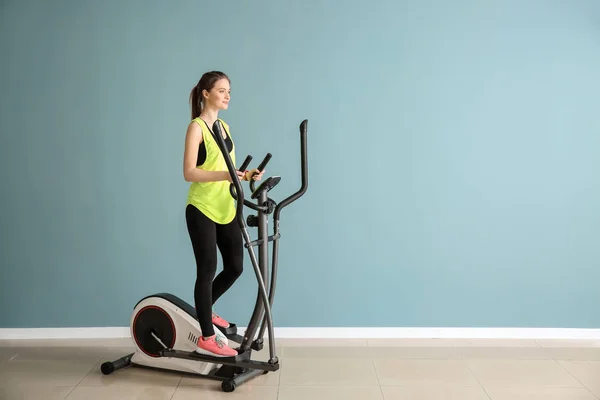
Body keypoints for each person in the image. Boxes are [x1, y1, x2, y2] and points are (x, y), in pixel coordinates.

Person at [183, 71, 263, 357]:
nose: (227, 95)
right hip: (202, 207)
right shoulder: (197, 127)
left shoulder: (224, 126)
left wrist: (247, 175)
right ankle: (206, 336)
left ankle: (205, 309)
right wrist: (228, 174)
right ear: (206, 93)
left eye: (229, 90)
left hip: (226, 207)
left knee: (235, 267)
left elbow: (229, 168)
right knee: (206, 269)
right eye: (221, 90)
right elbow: (189, 172)